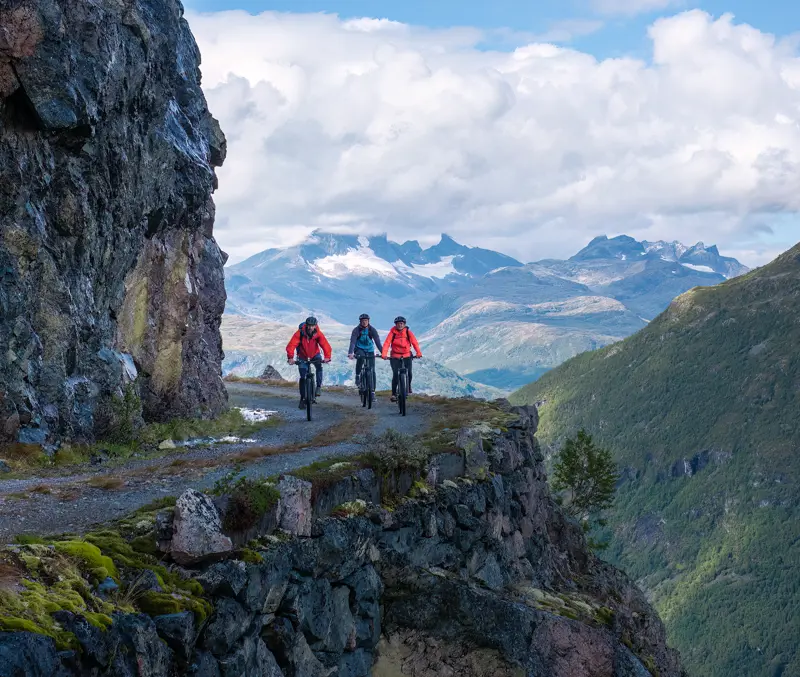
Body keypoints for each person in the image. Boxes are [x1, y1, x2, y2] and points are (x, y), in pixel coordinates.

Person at [286, 316, 332, 408]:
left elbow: (325, 345)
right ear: (306, 325)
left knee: (319, 367)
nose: (311, 327)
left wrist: (327, 357)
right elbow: (291, 345)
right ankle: (303, 398)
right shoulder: (300, 333)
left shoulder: (318, 334)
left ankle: (318, 387)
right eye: (309, 326)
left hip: (315, 354)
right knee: (303, 376)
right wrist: (290, 357)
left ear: (315, 326)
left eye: (313, 326)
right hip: (302, 356)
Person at [381, 316, 422, 402]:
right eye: (398, 323)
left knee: (409, 373)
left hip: (407, 355)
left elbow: (414, 342)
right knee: (395, 374)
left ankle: (408, 387)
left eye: (401, 323)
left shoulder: (408, 332)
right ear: (395, 324)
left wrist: (418, 353)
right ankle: (393, 394)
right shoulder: (392, 333)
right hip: (395, 356)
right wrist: (384, 354)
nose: (400, 325)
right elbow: (387, 343)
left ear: (404, 324)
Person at [348, 313, 382, 398]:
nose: (364, 322)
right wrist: (351, 352)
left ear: (368, 321)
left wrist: (383, 352)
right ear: (360, 322)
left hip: (370, 349)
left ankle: (373, 392)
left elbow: (378, 342)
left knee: (372, 370)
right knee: (361, 357)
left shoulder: (372, 330)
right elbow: (353, 342)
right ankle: (358, 375)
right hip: (359, 349)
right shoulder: (356, 330)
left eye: (366, 321)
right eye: (363, 321)